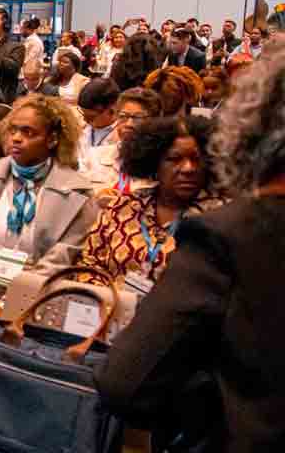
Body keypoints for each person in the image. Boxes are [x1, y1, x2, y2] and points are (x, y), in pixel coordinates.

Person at [95, 45, 285, 453]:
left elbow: (126, 382)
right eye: (173, 159)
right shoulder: (126, 208)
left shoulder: (227, 234)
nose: (186, 169)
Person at [0, 94, 97, 318]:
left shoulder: (77, 193)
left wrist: (6, 306)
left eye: (28, 132)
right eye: (13, 130)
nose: (16, 138)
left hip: (35, 304)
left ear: (52, 139)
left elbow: (58, 262)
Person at [75, 116, 224, 291]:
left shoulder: (221, 217)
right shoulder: (122, 206)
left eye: (197, 159)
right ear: (154, 163)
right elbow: (89, 264)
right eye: (174, 159)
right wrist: (110, 303)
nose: (188, 168)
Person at [80, 87, 164, 195]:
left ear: (155, 122)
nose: (129, 124)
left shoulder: (162, 165)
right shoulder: (93, 157)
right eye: (123, 116)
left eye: (138, 118)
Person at [77, 78, 122, 159]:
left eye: (91, 117)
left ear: (113, 108)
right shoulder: (82, 128)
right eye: (83, 114)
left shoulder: (122, 136)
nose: (85, 120)